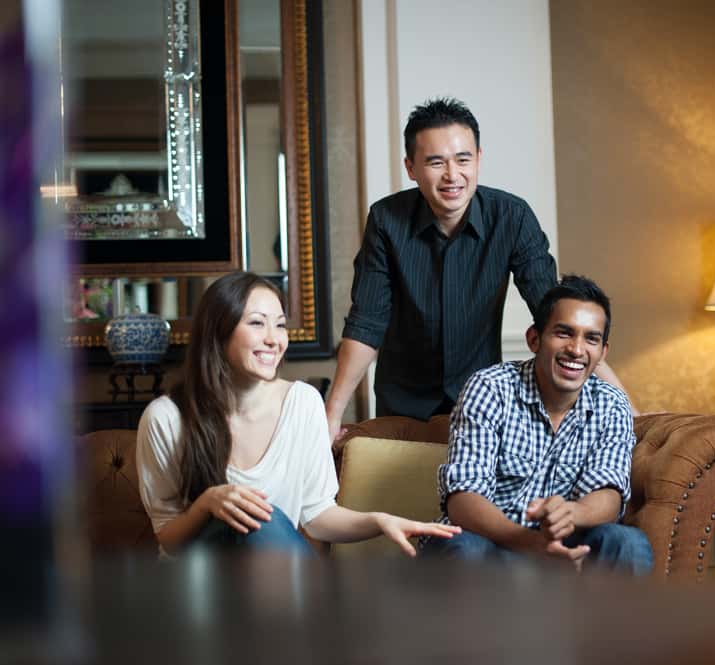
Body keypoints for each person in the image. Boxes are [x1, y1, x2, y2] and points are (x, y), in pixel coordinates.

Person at [325, 97, 632, 441]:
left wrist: (627, 409)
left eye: (463, 159)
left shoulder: (512, 217)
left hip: (482, 400)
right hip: (402, 404)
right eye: (436, 162)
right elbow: (367, 322)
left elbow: (555, 315)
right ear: (411, 168)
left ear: (479, 159)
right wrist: (332, 415)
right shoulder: (386, 220)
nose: (452, 175)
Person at [136, 271, 460, 556]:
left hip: (272, 580)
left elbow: (318, 517)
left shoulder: (303, 403)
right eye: (257, 323)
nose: (273, 339)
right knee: (260, 519)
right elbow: (169, 540)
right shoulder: (167, 418)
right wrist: (208, 502)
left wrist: (378, 520)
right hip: (201, 584)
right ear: (218, 333)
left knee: (264, 522)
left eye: (280, 325)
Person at [422, 275, 652, 575]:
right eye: (564, 333)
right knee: (466, 548)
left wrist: (572, 513)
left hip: (566, 544)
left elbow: (609, 493)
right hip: (490, 540)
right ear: (534, 339)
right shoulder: (490, 388)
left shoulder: (612, 404)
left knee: (629, 544)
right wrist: (530, 544)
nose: (577, 349)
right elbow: (463, 500)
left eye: (591, 339)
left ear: (602, 353)